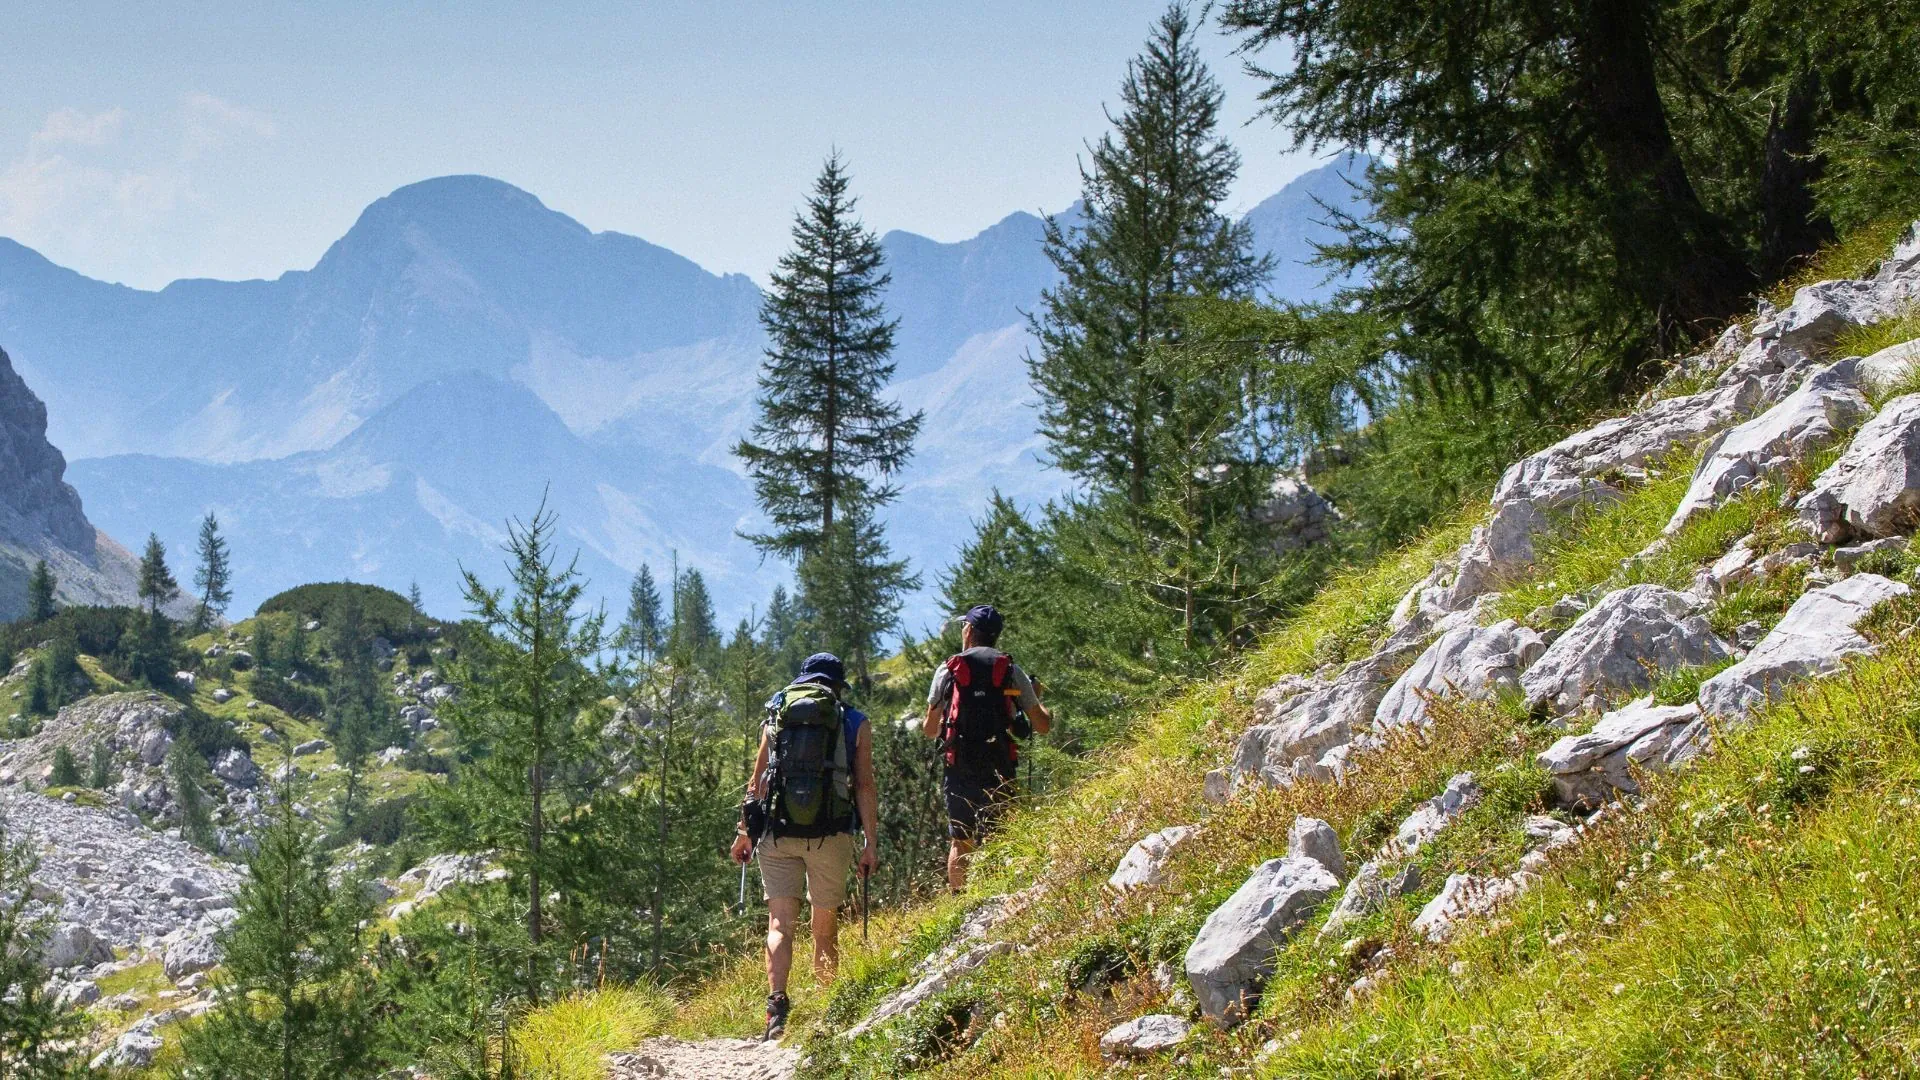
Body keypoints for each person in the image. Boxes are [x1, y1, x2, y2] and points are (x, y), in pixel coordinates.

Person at [731, 652, 879, 1042]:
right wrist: (870, 842)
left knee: (780, 924)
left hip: (777, 834)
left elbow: (756, 783)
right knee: (824, 927)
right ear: (837, 686)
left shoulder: (777, 716)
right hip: (831, 834)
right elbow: (864, 785)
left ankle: (776, 1010)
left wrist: (744, 832)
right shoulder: (855, 721)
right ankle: (824, 1011)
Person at [922, 604, 1050, 893]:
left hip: (959, 764)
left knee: (961, 840)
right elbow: (1042, 725)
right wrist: (1036, 697)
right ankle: (997, 896)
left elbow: (929, 730)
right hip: (999, 761)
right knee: (1001, 835)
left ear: (968, 630)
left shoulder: (949, 668)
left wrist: (941, 721)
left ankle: (960, 901)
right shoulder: (1010, 669)